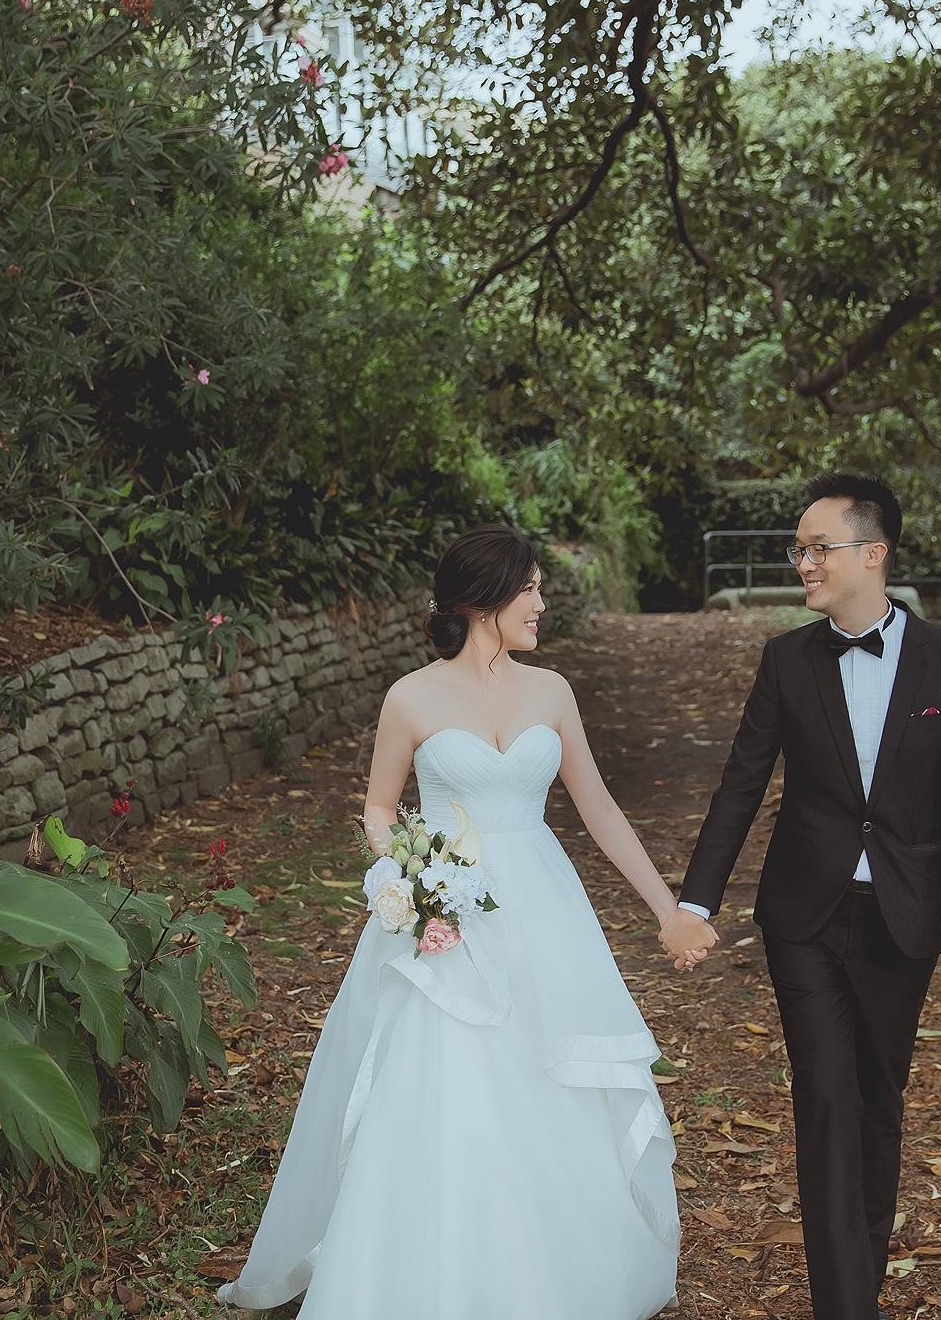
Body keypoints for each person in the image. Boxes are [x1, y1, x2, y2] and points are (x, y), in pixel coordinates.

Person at [220, 522, 718, 1318]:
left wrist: (668, 910)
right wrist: (413, 876)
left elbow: (599, 809)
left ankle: (555, 1267)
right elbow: (379, 809)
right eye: (531, 588)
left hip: (543, 905)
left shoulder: (552, 691)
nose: (542, 603)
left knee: (549, 1070)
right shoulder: (411, 697)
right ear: (484, 599)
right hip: (446, 916)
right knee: (448, 1081)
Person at [678, 473, 941, 1320]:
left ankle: (863, 1276)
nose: (805, 563)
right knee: (825, 1097)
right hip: (803, 917)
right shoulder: (786, 659)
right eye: (800, 550)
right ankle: (845, 1306)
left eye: (819, 548)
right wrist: (696, 902)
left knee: (878, 1100)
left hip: (904, 915)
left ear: (874, 553)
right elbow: (741, 784)